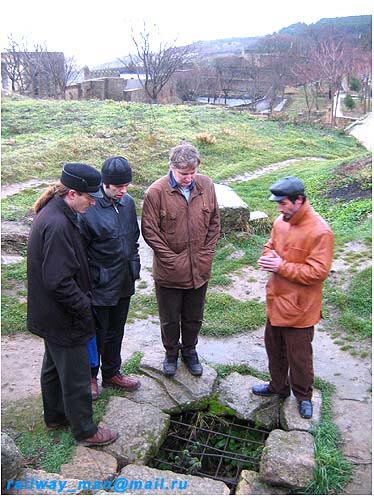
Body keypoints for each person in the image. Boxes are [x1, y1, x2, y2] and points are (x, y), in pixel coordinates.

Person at [27, 163, 118, 446]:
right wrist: (83, 308)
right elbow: (58, 281)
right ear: (72, 193)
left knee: (53, 367)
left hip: (48, 314)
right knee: (77, 374)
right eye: (89, 198)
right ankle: (86, 431)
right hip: (63, 315)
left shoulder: (55, 212)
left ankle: (55, 416)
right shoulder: (57, 224)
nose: (93, 203)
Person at [252, 176, 334, 419]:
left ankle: (304, 396)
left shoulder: (321, 232)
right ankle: (277, 387)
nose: (279, 208)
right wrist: (268, 257)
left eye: (283, 203)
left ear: (299, 200)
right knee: (274, 349)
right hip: (276, 302)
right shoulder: (280, 222)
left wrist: (280, 266)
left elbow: (318, 273)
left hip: (300, 310)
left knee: (299, 358)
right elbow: (271, 245)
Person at [141, 142, 220, 377]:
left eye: (192, 173)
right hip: (169, 271)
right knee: (169, 318)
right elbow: (150, 232)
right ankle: (171, 354)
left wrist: (206, 253)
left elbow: (215, 222)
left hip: (200, 268)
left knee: (194, 316)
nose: (188, 178)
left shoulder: (206, 185)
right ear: (172, 168)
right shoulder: (155, 192)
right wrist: (173, 261)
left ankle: (190, 351)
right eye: (184, 174)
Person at [78, 157, 141, 399]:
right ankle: (90, 377)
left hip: (124, 279)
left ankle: (112, 372)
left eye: (126, 186)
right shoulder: (89, 207)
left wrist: (134, 266)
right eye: (118, 187)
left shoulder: (128, 203)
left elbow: (133, 238)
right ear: (105, 184)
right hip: (99, 284)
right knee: (96, 333)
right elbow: (81, 252)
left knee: (117, 329)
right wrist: (92, 280)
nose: (123, 192)